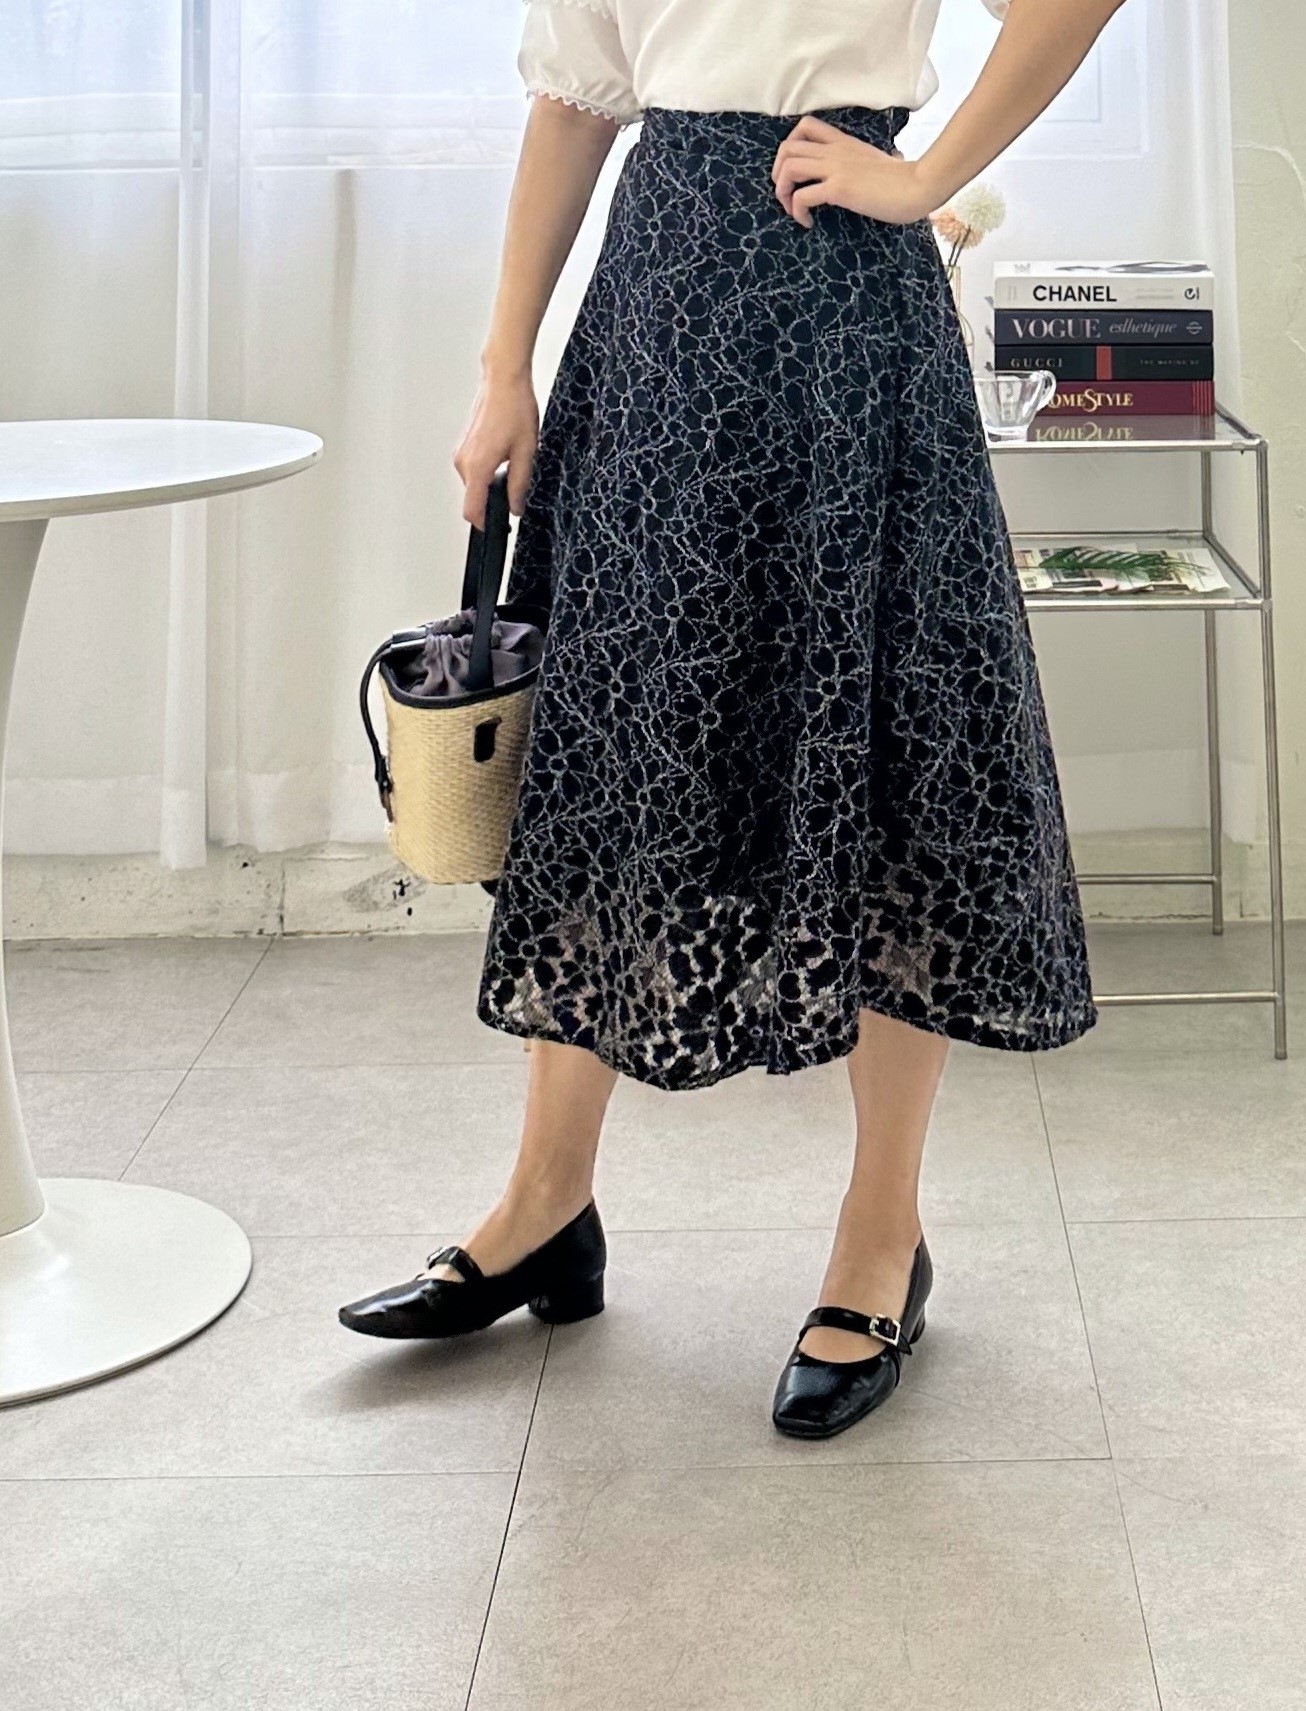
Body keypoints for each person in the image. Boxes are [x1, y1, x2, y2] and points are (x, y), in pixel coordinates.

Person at [339, 0, 1122, 1439]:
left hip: (847, 317)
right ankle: (545, 1206)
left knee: (886, 749)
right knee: (612, 749)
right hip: (656, 309)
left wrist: (921, 175)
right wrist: (503, 368)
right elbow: (577, 101)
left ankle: (881, 1237)